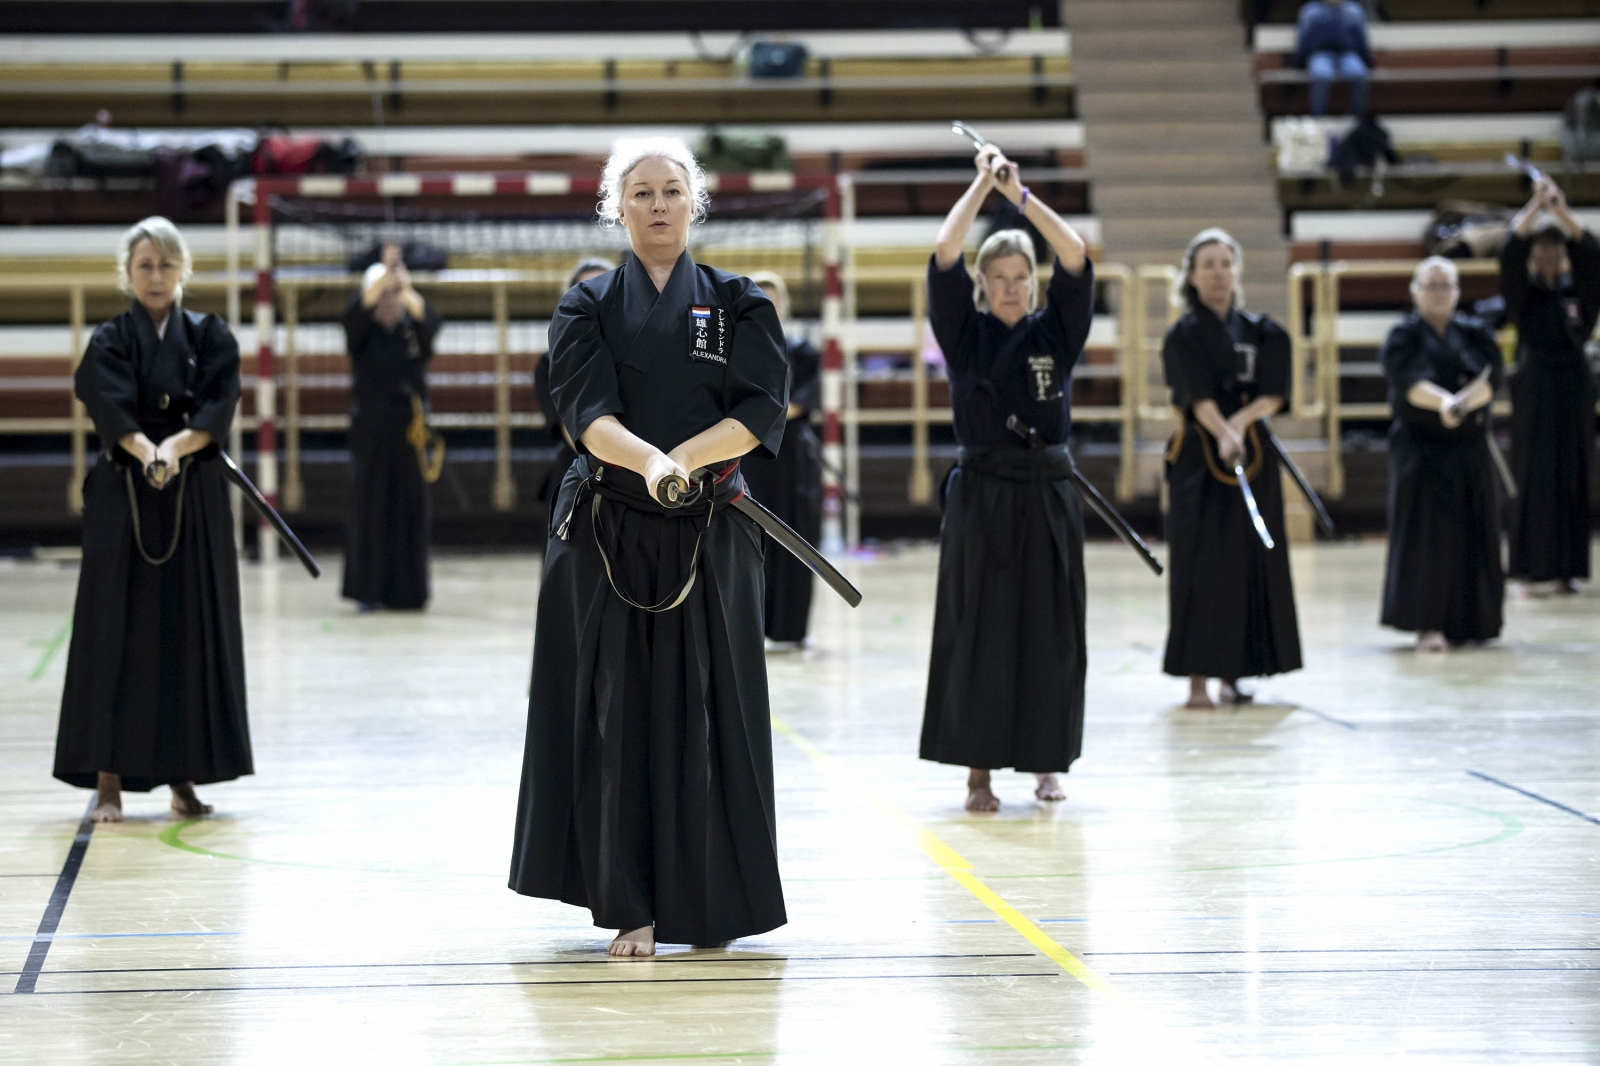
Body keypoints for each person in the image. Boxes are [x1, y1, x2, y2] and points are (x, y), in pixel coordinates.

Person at [508, 138, 790, 958]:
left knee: (712, 711)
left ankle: (711, 906)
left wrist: (686, 462)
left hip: (711, 527)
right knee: (616, 713)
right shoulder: (586, 305)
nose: (658, 204)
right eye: (641, 192)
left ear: (694, 203)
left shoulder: (740, 303)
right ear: (616, 208)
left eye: (672, 190)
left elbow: (759, 411)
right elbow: (586, 416)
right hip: (609, 530)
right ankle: (628, 902)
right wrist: (651, 464)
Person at [53, 216, 249, 822]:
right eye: (145, 265)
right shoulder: (111, 339)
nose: (156, 276)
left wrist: (177, 448)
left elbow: (219, 404)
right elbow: (108, 406)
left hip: (193, 493)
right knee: (116, 627)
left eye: (166, 264)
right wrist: (146, 451)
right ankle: (108, 779)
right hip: (125, 492)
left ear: (182, 269)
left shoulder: (210, 335)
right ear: (128, 274)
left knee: (187, 629)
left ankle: (183, 779)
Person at [918, 142, 1094, 813]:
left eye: (1022, 276)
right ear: (984, 285)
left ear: (1033, 282)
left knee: (1051, 631)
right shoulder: (965, 334)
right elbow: (944, 252)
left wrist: (1019, 196)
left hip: (1048, 492)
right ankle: (978, 772)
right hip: (983, 496)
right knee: (979, 629)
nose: (1012, 286)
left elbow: (1074, 252)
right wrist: (980, 188)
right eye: (1000, 277)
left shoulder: (1057, 332)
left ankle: (1048, 763)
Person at [1161, 229, 1303, 709]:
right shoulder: (1183, 335)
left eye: (1226, 263)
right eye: (1208, 265)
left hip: (1253, 457)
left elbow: (1275, 393)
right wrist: (1223, 432)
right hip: (1199, 463)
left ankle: (1235, 673)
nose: (1218, 273)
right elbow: (1196, 396)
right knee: (1201, 567)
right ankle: (1197, 680)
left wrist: (1239, 425)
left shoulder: (1264, 332)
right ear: (1192, 276)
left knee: (1247, 562)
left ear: (1237, 271)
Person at [1380, 257, 1505, 651]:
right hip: (1422, 446)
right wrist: (1445, 404)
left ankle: (1471, 622)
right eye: (1431, 286)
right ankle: (1427, 624)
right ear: (1415, 291)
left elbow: (1491, 378)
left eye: (1446, 286)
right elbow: (1408, 382)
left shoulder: (1474, 332)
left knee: (1474, 529)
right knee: (1428, 534)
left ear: (1457, 291)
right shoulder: (1403, 335)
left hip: (1468, 445)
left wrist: (1465, 404)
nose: (1439, 293)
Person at [1501, 177, 1599, 595]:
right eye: (1541, 247)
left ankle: (1567, 569)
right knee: (1533, 473)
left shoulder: (1578, 291)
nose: (1549, 253)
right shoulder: (1525, 294)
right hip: (1536, 386)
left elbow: (1591, 252)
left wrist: (1560, 211)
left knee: (1573, 473)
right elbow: (1510, 251)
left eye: (1556, 247)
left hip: (1574, 386)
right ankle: (1526, 570)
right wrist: (1536, 205)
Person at [341, 242, 441, 611]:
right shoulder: (361, 333)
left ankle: (408, 592)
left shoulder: (412, 330)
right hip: (370, 431)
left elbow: (428, 319)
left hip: (410, 433)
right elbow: (357, 309)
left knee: (410, 509)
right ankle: (368, 592)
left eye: (393, 296)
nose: (389, 301)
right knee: (369, 509)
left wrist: (403, 285)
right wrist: (384, 274)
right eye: (382, 295)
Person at [739, 269, 822, 647]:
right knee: (748, 541)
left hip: (791, 461)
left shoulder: (802, 352)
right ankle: (747, 628)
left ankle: (790, 629)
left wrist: (756, 415)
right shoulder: (735, 354)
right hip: (746, 457)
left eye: (775, 302)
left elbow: (801, 403)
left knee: (794, 540)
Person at [534, 257, 616, 549]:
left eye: (605, 291)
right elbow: (575, 436)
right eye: (586, 292)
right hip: (582, 482)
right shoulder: (552, 361)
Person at [1296, 0, 1372, 117]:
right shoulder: (1311, 11)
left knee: (1358, 73)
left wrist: (1367, 61)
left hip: (1347, 54)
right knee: (1321, 75)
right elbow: (1303, 40)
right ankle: (1318, 117)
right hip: (1320, 54)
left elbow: (1361, 40)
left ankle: (1357, 117)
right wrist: (1301, 63)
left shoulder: (1353, 10)